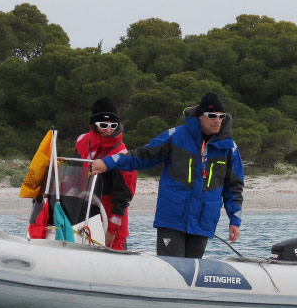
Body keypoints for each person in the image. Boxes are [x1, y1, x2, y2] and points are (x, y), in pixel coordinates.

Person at [90, 92, 243, 258]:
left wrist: (234, 221)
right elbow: (142, 156)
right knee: (171, 268)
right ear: (200, 116)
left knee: (191, 273)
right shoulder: (176, 136)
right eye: (212, 116)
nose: (217, 120)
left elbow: (233, 187)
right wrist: (108, 162)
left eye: (221, 116)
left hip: (203, 222)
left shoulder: (230, 148)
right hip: (172, 219)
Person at [75, 98, 137, 250]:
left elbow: (123, 197)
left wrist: (112, 229)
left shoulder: (122, 154)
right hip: (84, 215)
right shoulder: (82, 141)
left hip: (111, 219)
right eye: (103, 125)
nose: (109, 130)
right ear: (94, 125)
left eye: (113, 125)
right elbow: (73, 173)